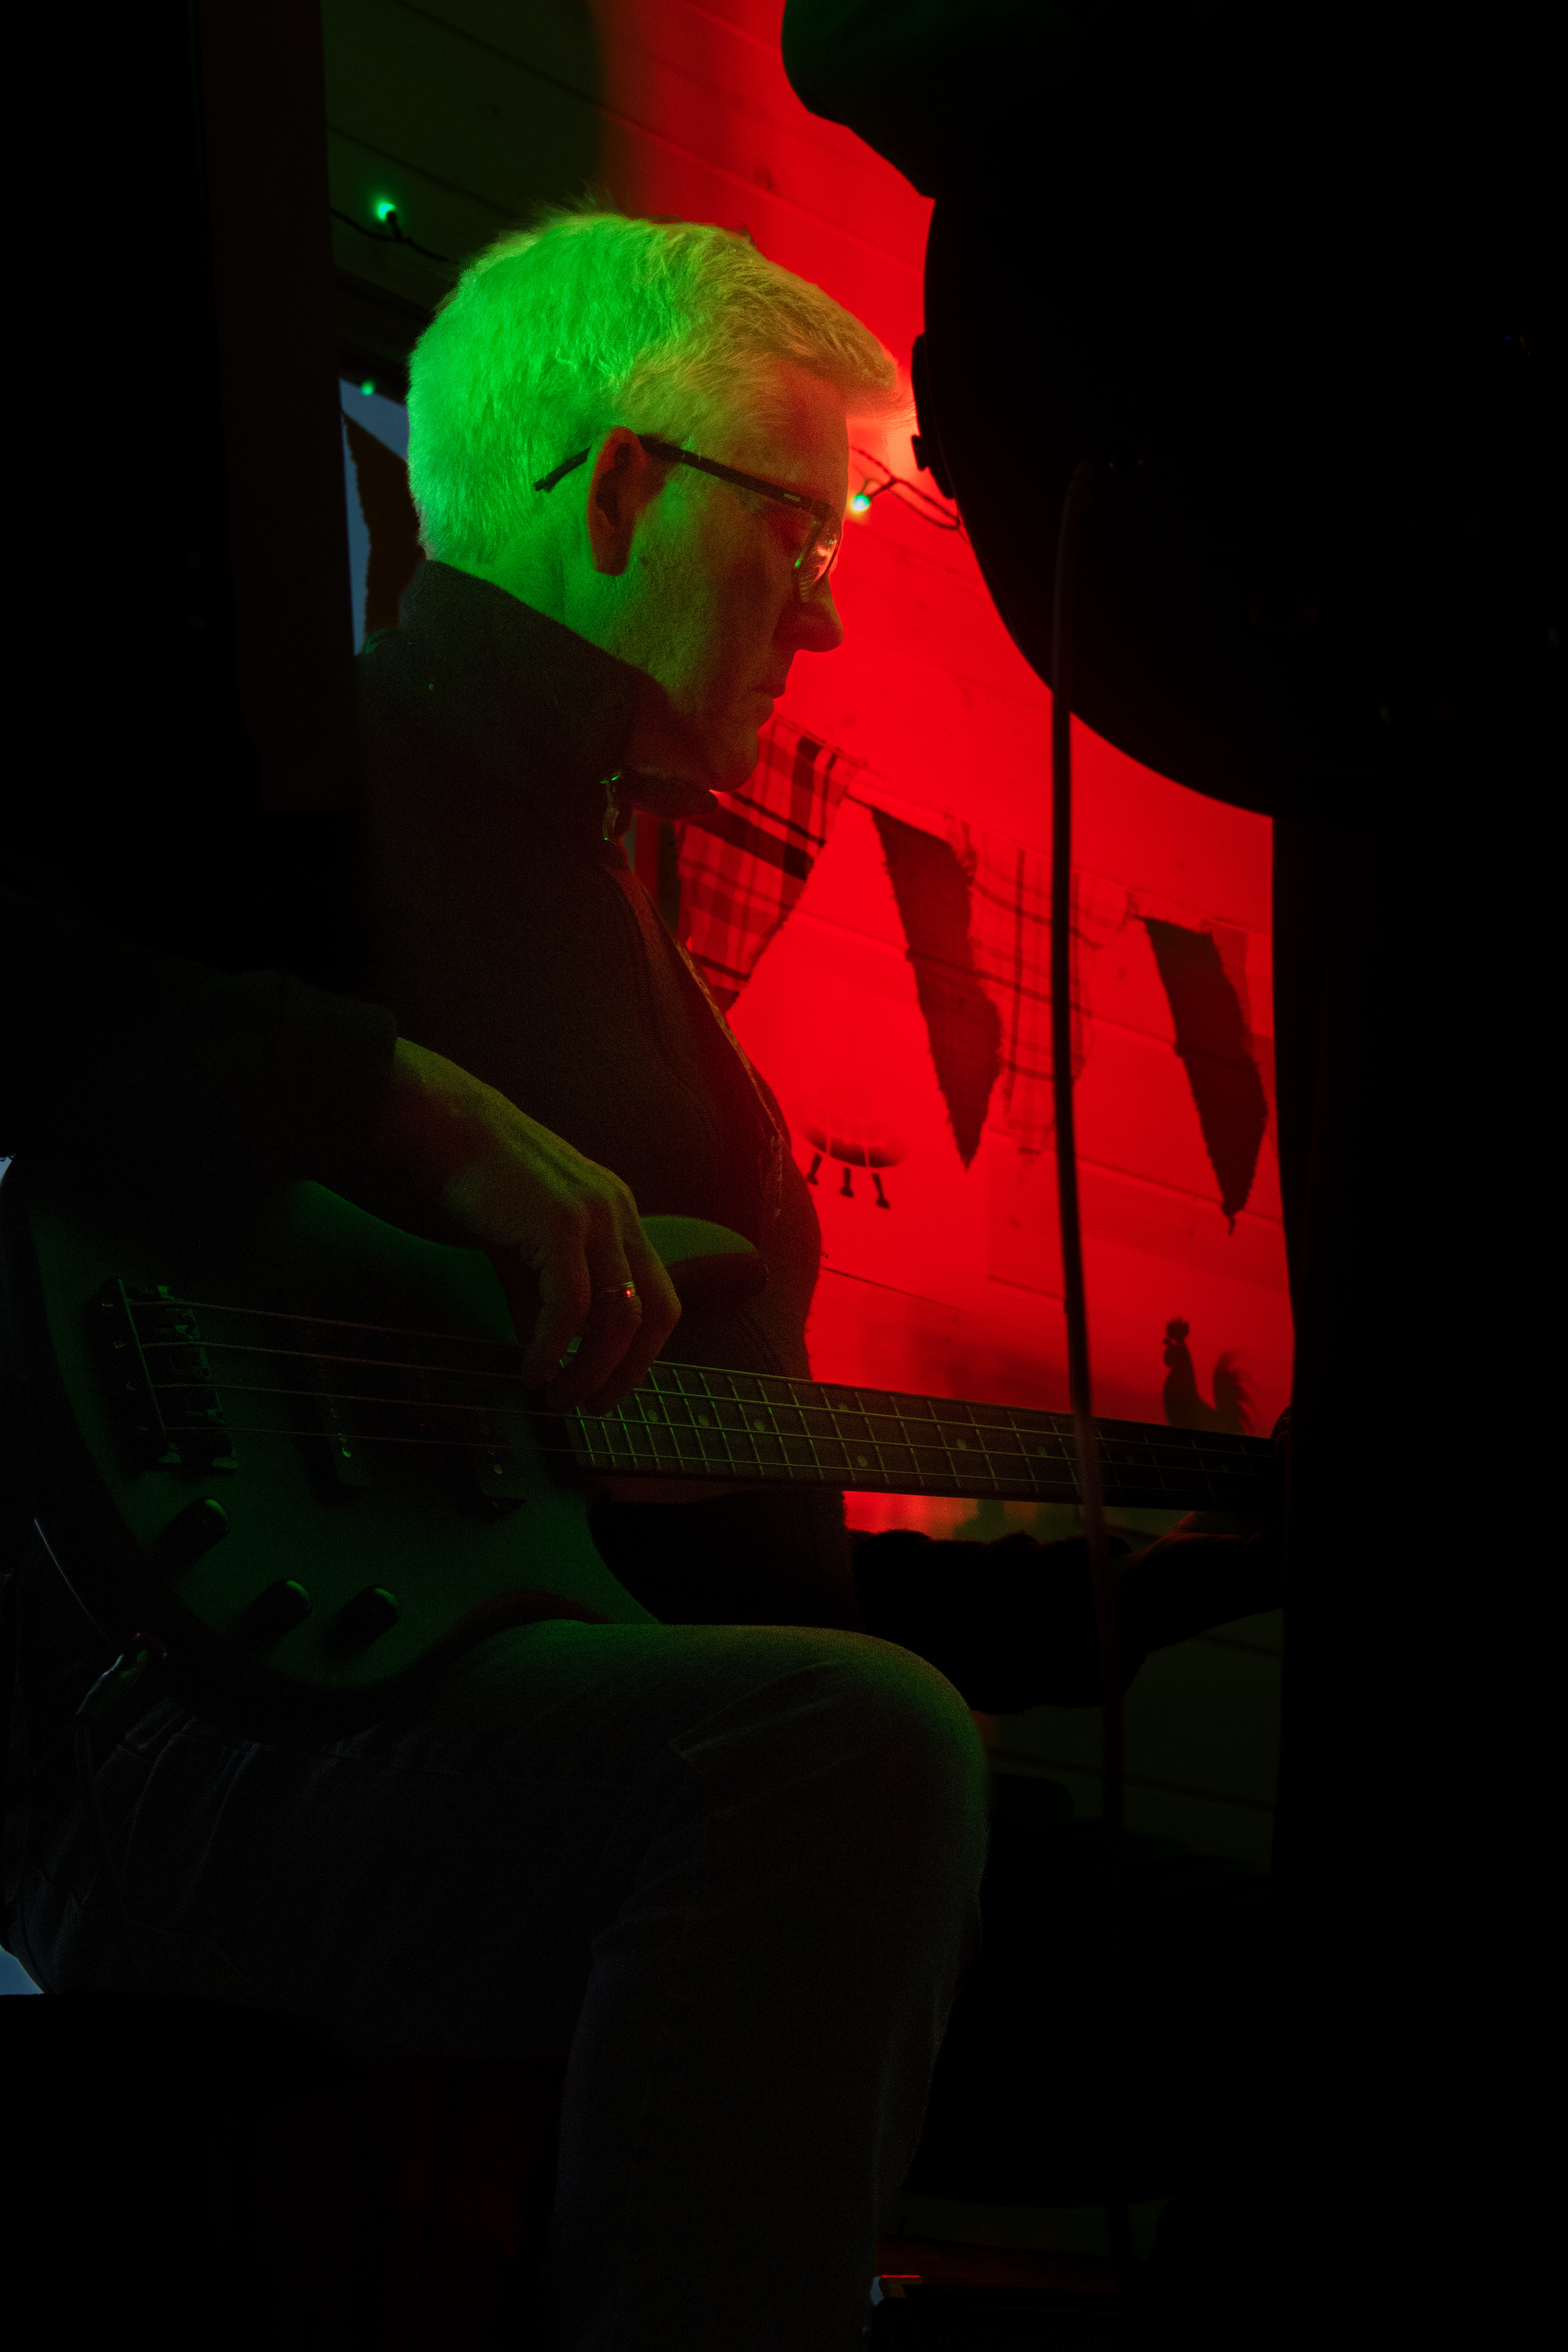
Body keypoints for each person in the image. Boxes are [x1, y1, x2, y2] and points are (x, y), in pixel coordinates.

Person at [2, 210, 1280, 2348]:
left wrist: (1174, 1572)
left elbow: (697, 1551)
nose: (830, 616)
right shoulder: (282, 767)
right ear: (614, 488)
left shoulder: (628, 936)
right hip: (226, 1729)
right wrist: (398, 1100)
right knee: (838, 1754)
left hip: (644, 1738)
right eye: (804, 534)